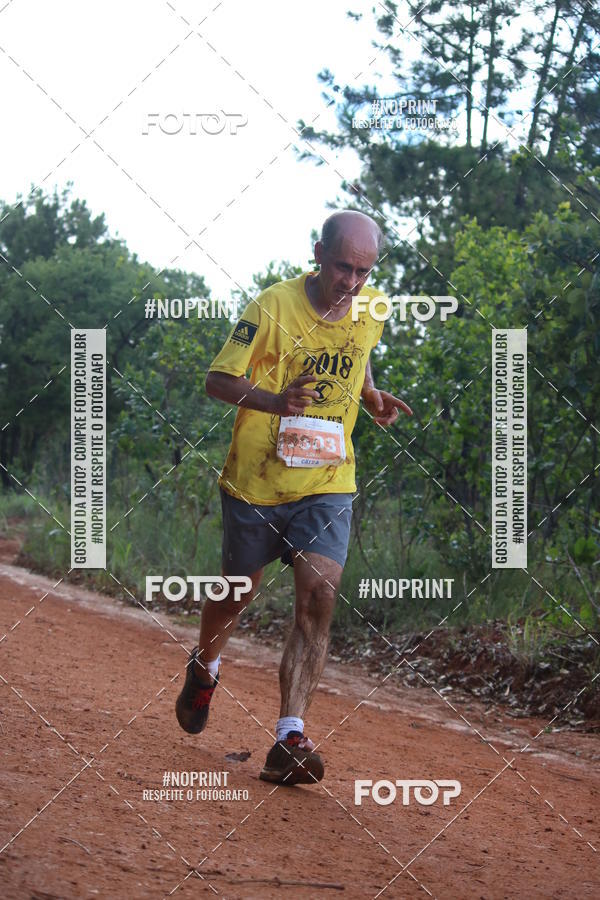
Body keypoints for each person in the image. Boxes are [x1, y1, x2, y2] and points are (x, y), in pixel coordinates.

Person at [175, 209, 412, 785]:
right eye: (341, 267)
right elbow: (217, 381)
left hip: (327, 481)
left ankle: (290, 738)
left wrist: (372, 395)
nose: (351, 282)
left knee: (319, 595)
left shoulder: (372, 307)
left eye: (363, 270)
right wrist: (278, 402)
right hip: (257, 481)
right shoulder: (269, 308)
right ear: (317, 253)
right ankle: (205, 665)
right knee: (237, 595)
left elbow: (359, 355)